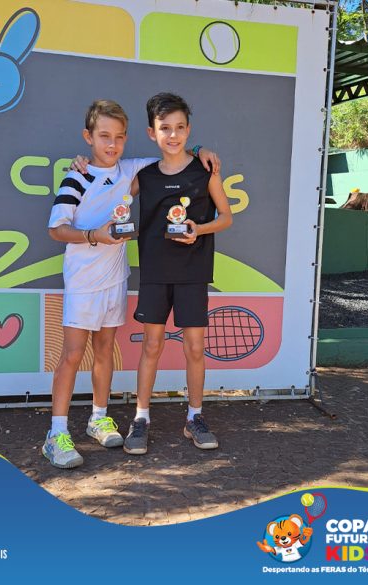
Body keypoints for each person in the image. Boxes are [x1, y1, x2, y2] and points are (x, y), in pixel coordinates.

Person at [43, 99, 219, 469]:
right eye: (104, 136)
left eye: (119, 137)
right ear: (88, 137)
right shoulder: (76, 176)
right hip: (82, 281)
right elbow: (56, 229)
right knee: (72, 355)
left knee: (105, 350)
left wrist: (202, 149)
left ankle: (98, 418)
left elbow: (175, 154)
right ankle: (56, 433)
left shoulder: (133, 169)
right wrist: (94, 235)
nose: (112, 144)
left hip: (115, 278)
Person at [122, 93, 233, 456]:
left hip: (193, 273)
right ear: (151, 133)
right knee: (151, 346)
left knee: (195, 348)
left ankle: (195, 417)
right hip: (155, 273)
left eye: (180, 128)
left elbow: (226, 217)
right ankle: (141, 418)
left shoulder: (205, 170)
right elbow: (111, 193)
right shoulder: (144, 176)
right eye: (165, 128)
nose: (173, 135)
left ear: (189, 129)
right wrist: (82, 166)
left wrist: (198, 230)